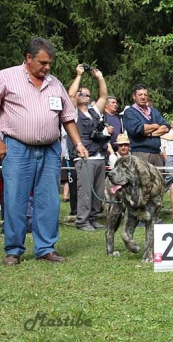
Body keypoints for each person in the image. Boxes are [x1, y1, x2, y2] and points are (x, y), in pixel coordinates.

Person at [0, 37, 89, 266]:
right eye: (43, 62)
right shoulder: (6, 77)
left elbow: (68, 118)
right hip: (17, 147)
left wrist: (78, 144)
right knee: (15, 200)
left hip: (50, 149)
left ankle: (46, 248)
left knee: (49, 201)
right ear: (28, 58)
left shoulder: (55, 83)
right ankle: (14, 250)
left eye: (50, 63)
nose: (47, 67)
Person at [67, 64, 110, 231]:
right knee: (85, 191)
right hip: (84, 156)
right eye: (82, 94)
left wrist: (99, 77)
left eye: (87, 95)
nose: (85, 96)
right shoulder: (72, 112)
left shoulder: (93, 112)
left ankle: (92, 218)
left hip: (99, 155)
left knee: (97, 191)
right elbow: (70, 94)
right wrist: (78, 75)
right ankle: (82, 220)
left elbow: (104, 97)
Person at [123, 84, 170, 167]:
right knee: (141, 179)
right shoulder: (130, 112)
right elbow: (137, 129)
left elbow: (166, 127)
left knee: (158, 179)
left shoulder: (154, 111)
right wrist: (155, 126)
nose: (143, 97)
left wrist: (150, 134)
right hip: (140, 153)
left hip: (156, 153)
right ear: (134, 96)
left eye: (145, 94)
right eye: (140, 94)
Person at [161, 119, 173, 183]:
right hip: (169, 156)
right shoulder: (167, 134)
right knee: (170, 175)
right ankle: (163, 189)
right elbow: (162, 146)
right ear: (171, 125)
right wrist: (165, 157)